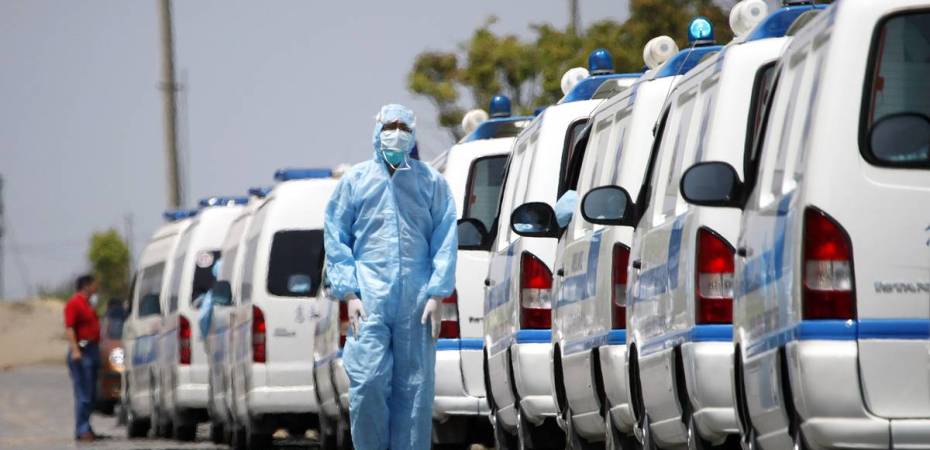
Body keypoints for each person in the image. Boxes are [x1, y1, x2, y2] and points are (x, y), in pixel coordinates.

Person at [324, 103, 458, 450]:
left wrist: (437, 293)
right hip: (369, 298)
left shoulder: (431, 183)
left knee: (414, 391)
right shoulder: (355, 182)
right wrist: (349, 293)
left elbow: (445, 238)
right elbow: (336, 237)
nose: (395, 133)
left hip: (417, 301)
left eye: (403, 127)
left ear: (412, 134)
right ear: (377, 130)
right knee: (367, 382)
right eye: (389, 126)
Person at [64, 274, 101, 442]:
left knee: (91, 394)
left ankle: (86, 425)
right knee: (83, 393)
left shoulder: (88, 304)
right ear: (86, 286)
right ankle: (82, 429)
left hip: (92, 350)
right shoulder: (74, 303)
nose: (96, 288)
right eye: (94, 284)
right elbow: (70, 328)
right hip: (82, 351)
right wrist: (75, 350)